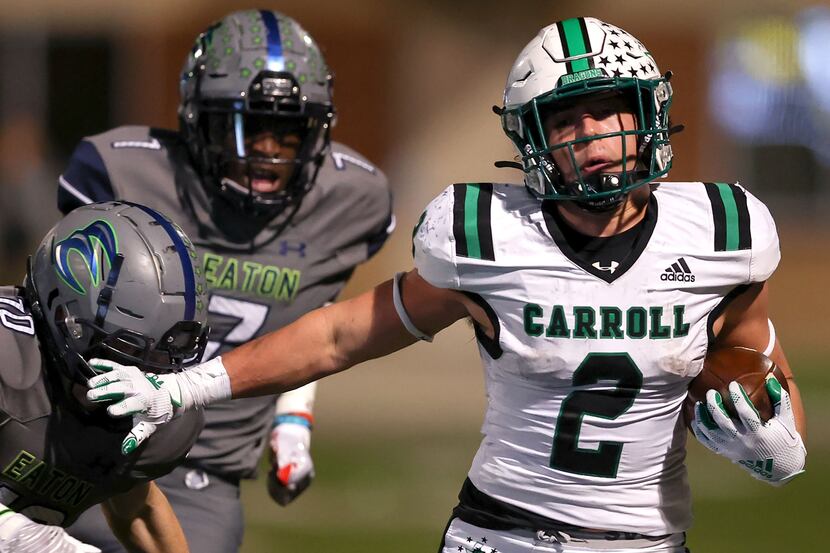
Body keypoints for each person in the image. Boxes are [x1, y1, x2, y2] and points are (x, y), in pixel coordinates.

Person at [87, 17, 807, 553]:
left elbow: (760, 366)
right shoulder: (488, 232)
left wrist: (781, 442)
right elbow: (343, 332)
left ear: (648, 111)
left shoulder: (724, 231)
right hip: (500, 534)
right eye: (565, 117)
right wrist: (192, 385)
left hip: (647, 541)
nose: (591, 132)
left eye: (609, 107)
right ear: (532, 138)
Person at [57, 9, 393, 553]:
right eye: (243, 125)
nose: (264, 149)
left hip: (199, 470)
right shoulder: (122, 173)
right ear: (195, 119)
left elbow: (315, 318)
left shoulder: (353, 202)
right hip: (83, 443)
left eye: (287, 131)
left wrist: (293, 420)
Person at [0, 201, 208, 552]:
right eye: (124, 350)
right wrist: (17, 534)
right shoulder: (8, 353)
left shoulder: (157, 426)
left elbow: (136, 507)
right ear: (65, 317)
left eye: (160, 360)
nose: (141, 379)